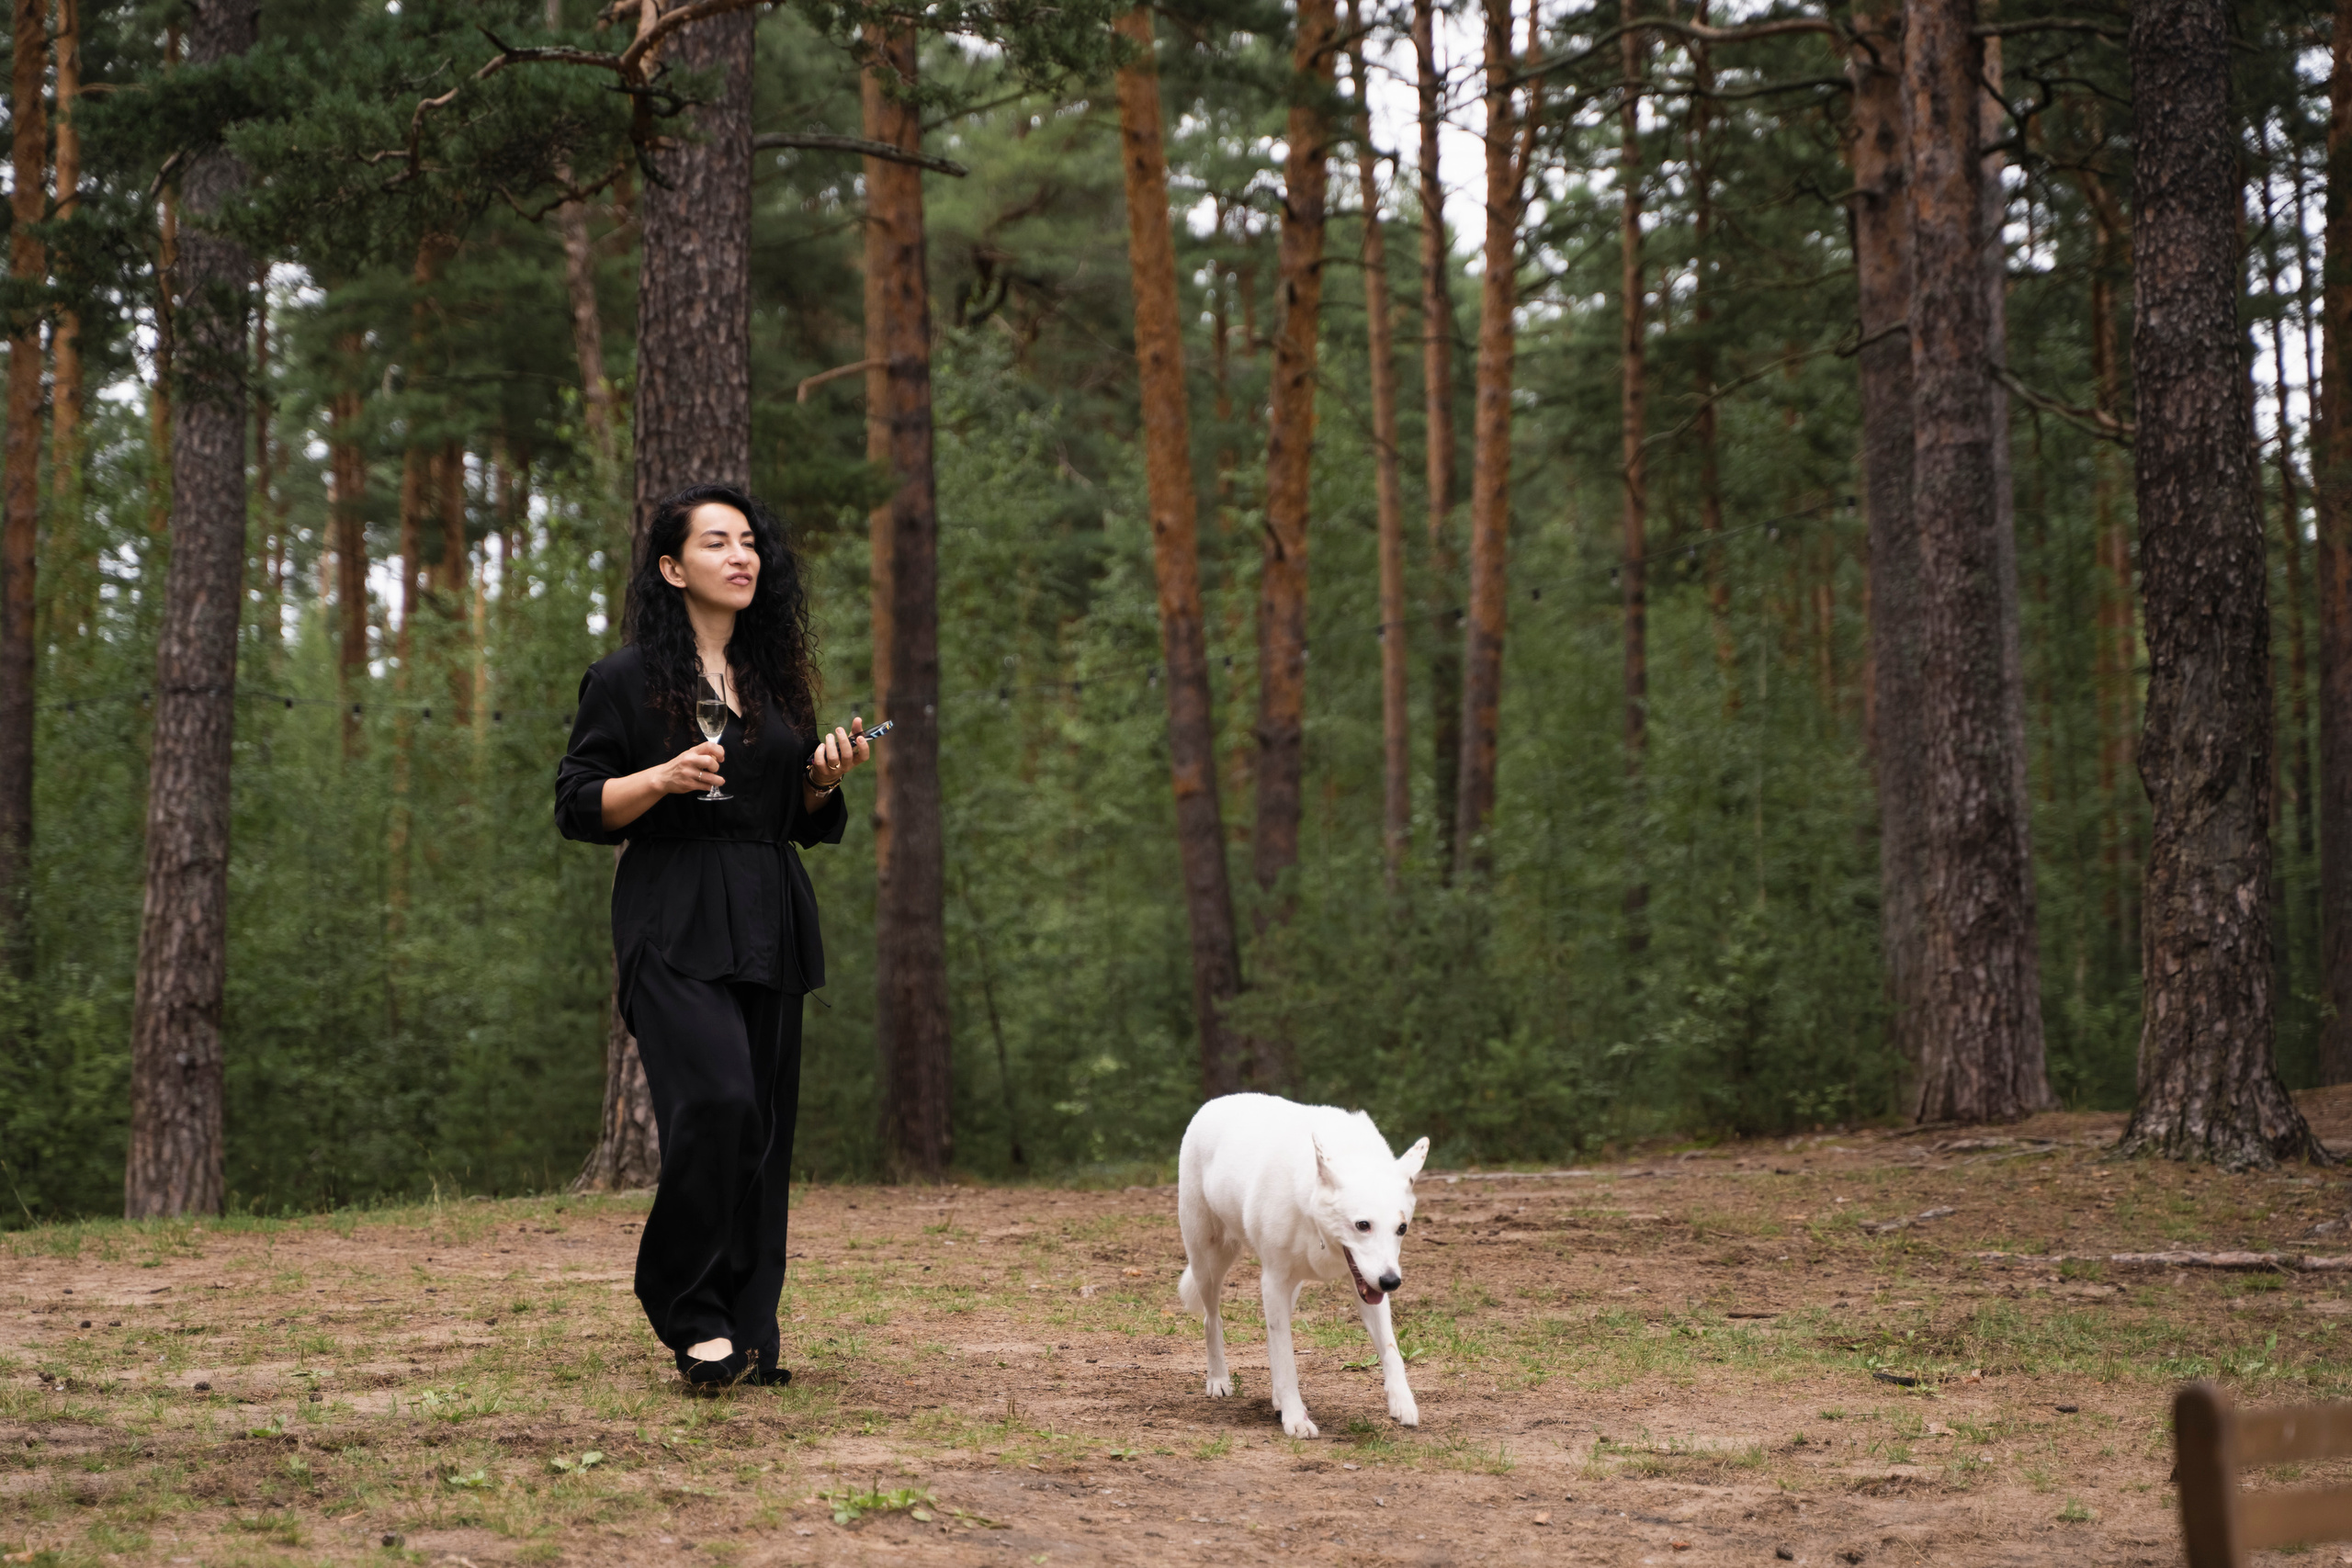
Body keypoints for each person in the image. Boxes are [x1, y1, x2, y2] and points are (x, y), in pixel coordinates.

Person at [555, 482, 870, 1388]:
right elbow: (577, 804)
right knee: (719, 1103)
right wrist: (659, 778)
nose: (741, 556)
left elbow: (794, 816)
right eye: (717, 542)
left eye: (750, 543)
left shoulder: (772, 682)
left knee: (762, 1129)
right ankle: (687, 1306)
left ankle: (745, 1324)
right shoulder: (623, 680)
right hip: (672, 912)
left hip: (769, 912)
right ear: (671, 567)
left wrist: (820, 779)